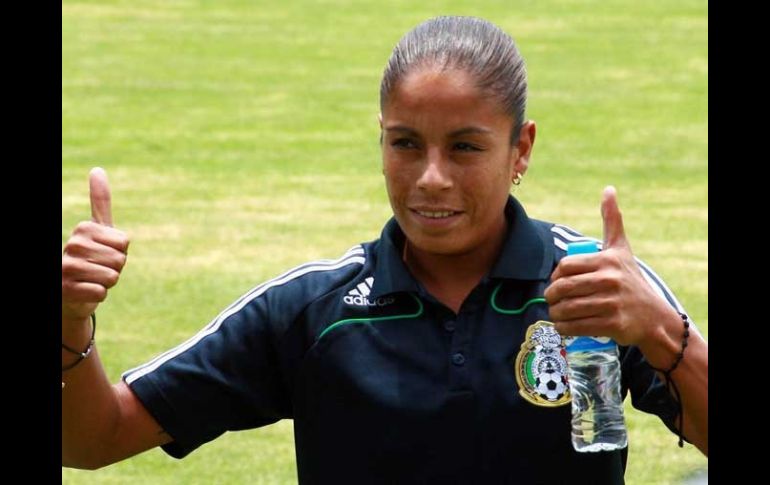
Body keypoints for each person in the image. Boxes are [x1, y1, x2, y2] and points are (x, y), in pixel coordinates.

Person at [62, 15, 707, 483]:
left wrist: (658, 330)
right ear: (380, 140)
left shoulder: (592, 287)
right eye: (405, 144)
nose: (431, 177)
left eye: (465, 146)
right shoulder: (315, 312)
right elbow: (93, 439)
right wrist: (69, 320)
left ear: (522, 149)